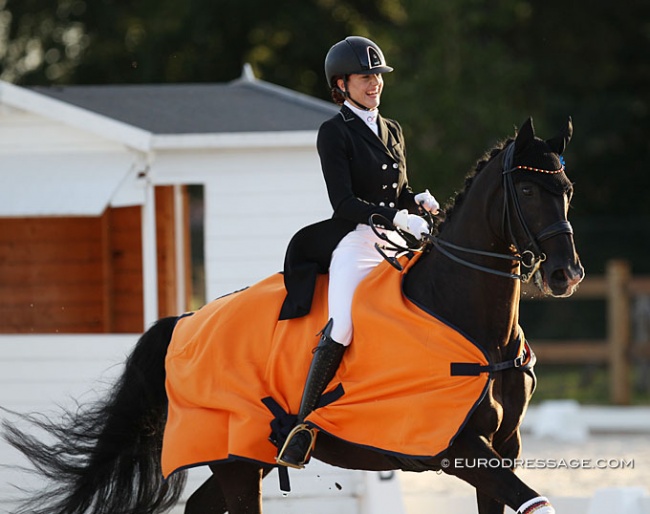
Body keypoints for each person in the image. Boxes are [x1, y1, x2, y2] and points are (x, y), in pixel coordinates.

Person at [276, 35, 440, 468]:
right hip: (357, 240)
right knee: (345, 323)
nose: (375, 84)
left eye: (378, 77)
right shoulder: (334, 131)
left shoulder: (392, 129)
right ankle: (304, 424)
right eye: (365, 78)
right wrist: (392, 220)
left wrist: (416, 203)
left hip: (396, 237)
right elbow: (344, 203)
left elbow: (399, 189)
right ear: (342, 84)